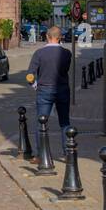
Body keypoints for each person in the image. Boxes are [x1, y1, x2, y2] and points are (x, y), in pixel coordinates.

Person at [26, 25, 73, 156]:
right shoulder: (67, 53)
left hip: (44, 90)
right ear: (60, 38)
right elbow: (65, 70)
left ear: (47, 36)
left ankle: (42, 154)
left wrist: (35, 85)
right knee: (65, 122)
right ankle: (68, 152)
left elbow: (30, 75)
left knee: (41, 122)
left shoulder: (39, 53)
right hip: (62, 89)